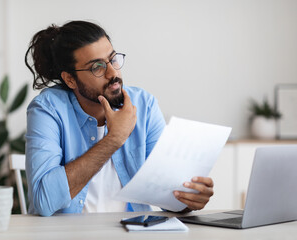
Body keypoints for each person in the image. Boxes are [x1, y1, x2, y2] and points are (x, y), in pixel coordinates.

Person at [24, 20, 214, 216]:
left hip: (133, 231)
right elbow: (43, 202)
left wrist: (189, 199)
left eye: (113, 59)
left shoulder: (144, 105)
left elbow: (166, 195)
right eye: (97, 67)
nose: (113, 72)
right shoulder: (48, 109)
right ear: (70, 79)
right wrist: (114, 139)